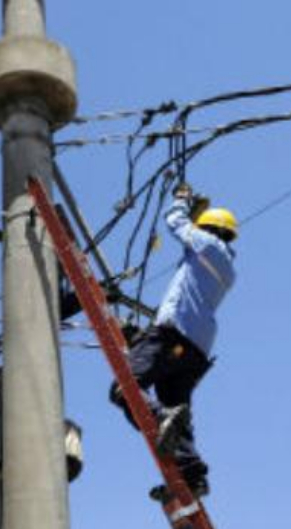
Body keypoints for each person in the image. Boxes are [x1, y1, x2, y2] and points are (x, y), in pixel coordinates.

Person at [110, 182, 238, 497]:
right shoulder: (226, 267)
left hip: (175, 333)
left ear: (208, 229)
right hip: (196, 350)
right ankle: (192, 477)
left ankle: (161, 418)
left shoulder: (207, 244)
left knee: (125, 388)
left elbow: (175, 223)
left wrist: (181, 201)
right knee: (174, 411)